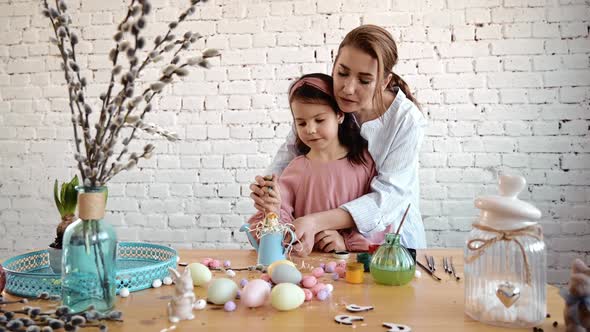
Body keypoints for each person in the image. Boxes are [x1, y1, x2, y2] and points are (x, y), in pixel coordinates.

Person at [250, 25, 427, 256]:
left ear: (384, 82)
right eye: (342, 73)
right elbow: (289, 154)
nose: (347, 88)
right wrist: (268, 189)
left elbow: (388, 199)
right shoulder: (329, 95)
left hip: (390, 242)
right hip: (327, 243)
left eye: (364, 80)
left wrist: (315, 222)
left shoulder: (406, 121)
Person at [247, 73, 377, 252]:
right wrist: (272, 209)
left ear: (339, 115)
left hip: (351, 270)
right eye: (301, 123)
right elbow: (280, 223)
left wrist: (345, 242)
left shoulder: (365, 164)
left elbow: (378, 220)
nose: (310, 130)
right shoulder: (296, 169)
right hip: (307, 267)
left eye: (319, 120)